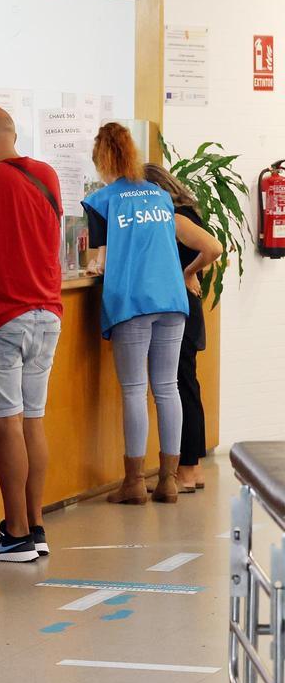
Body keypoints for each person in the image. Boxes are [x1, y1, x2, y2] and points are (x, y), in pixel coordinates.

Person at [81, 125, 216, 504]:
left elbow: (100, 261)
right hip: (172, 300)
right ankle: (170, 481)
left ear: (102, 160)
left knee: (134, 390)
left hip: (132, 301)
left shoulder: (101, 201)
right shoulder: (159, 195)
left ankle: (134, 483)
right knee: (167, 388)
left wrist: (96, 266)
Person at [0, 106, 63, 562]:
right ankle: (35, 525)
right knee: (32, 421)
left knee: (6, 425)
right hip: (47, 314)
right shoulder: (48, 175)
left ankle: (15, 532)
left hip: (4, 320)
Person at [144, 163, 224, 492]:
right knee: (185, 384)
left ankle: (188, 469)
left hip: (181, 306)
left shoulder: (175, 217)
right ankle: (190, 468)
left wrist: (187, 272)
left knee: (181, 385)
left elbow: (214, 248)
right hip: (183, 306)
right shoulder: (182, 212)